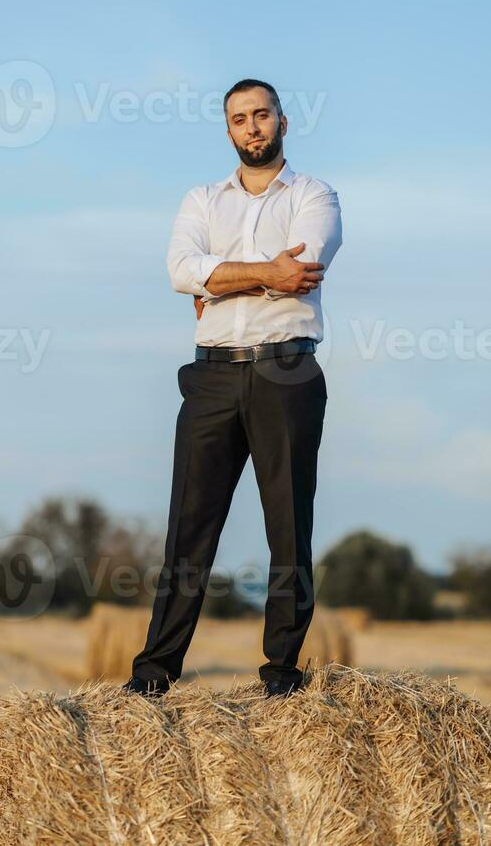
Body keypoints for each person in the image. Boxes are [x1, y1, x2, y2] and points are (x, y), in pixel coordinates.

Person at [123, 78, 343, 699]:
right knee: (188, 530)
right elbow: (178, 271)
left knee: (288, 528)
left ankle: (280, 676)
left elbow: (299, 272)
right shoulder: (200, 200)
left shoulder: (315, 195)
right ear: (228, 130)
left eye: (262, 115)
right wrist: (259, 274)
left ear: (282, 121)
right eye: (240, 119)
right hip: (212, 375)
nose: (252, 127)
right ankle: (153, 675)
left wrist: (217, 282)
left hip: (287, 371)